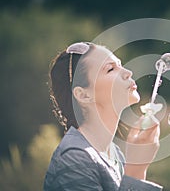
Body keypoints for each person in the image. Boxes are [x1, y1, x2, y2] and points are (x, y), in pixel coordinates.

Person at [44, 42, 162, 190]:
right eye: (110, 69)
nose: (127, 72)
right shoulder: (74, 160)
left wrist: (137, 169)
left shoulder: (114, 155)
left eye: (120, 64)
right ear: (83, 95)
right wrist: (135, 168)